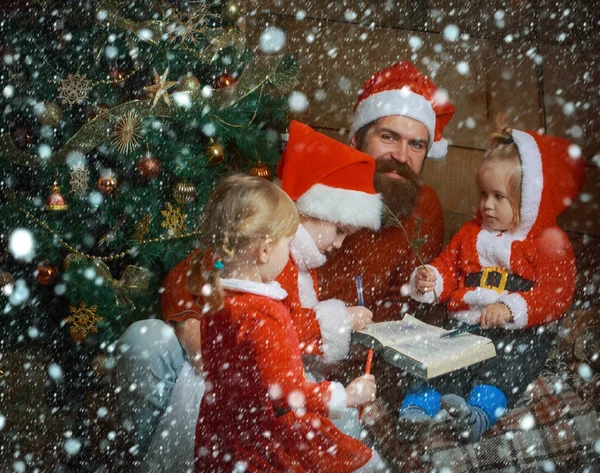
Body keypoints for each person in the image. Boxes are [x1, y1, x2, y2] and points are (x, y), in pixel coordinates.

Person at [115, 121, 384, 465]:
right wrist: (337, 322)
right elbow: (274, 340)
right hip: (247, 404)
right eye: (339, 230)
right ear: (306, 213)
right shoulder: (263, 261)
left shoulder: (298, 265)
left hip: (240, 404)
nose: (339, 244)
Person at [401, 118, 586, 442]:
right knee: (438, 361)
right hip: (466, 324)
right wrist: (433, 279)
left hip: (516, 334)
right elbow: (450, 266)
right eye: (483, 193)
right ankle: (416, 411)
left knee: (503, 369)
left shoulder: (547, 241)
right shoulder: (471, 232)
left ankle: (477, 415)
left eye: (499, 197)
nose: (486, 204)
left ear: (530, 200)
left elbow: (557, 295)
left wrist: (512, 307)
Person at [193, 175, 385, 472]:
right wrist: (345, 396)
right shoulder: (263, 312)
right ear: (265, 250)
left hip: (221, 434)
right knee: (355, 462)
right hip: (262, 439)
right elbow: (285, 389)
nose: (289, 253)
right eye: (286, 243)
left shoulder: (219, 298)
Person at [320, 60, 455, 322]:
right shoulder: (317, 190)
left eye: (416, 145)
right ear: (356, 140)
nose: (401, 156)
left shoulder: (424, 206)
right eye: (388, 137)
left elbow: (404, 303)